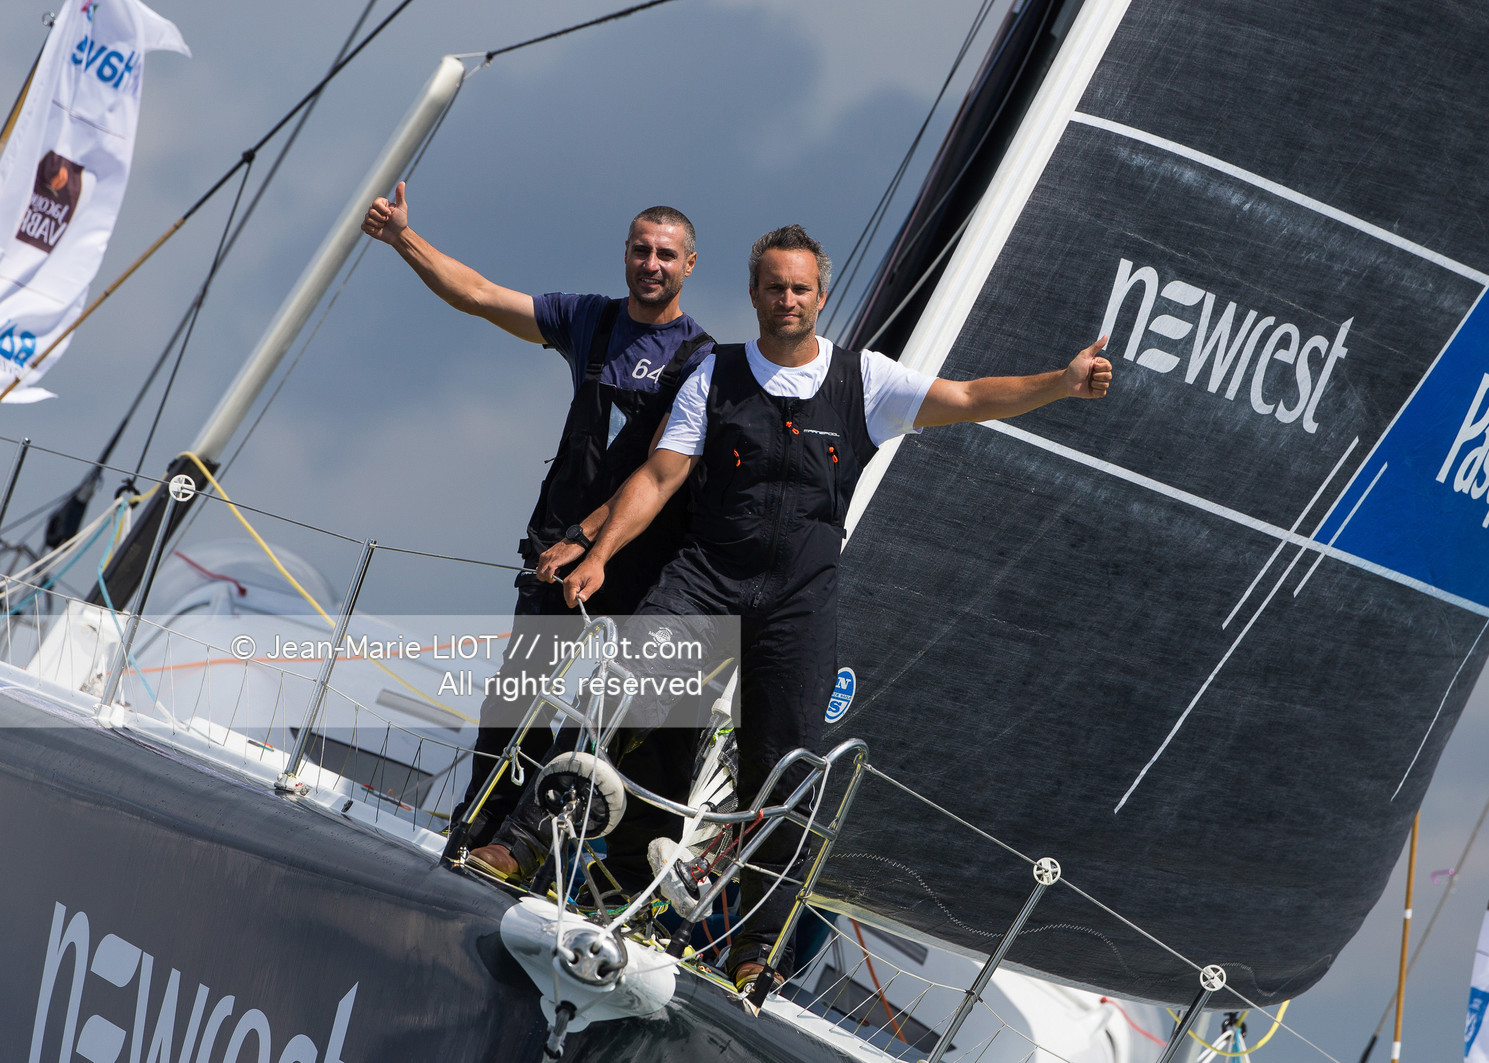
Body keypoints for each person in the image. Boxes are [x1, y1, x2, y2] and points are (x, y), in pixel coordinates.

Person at [555, 223, 1112, 992]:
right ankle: (540, 848)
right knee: (632, 690)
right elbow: (658, 476)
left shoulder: (866, 381)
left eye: (801, 288)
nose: (788, 299)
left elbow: (971, 397)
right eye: (775, 287)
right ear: (754, 293)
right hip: (710, 579)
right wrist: (600, 553)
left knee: (780, 781)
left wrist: (1061, 381)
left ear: (821, 295)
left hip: (798, 606)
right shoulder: (712, 374)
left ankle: (753, 949)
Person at [360, 183, 714, 859]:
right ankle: (477, 828)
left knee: (613, 720)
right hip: (556, 547)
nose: (651, 264)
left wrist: (591, 538)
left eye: (666, 254)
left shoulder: (698, 360)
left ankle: (539, 846)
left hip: (631, 560)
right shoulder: (592, 320)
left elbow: (661, 473)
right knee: (516, 700)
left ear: (689, 265)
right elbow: (478, 294)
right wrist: (402, 237)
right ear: (625, 255)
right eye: (640, 249)